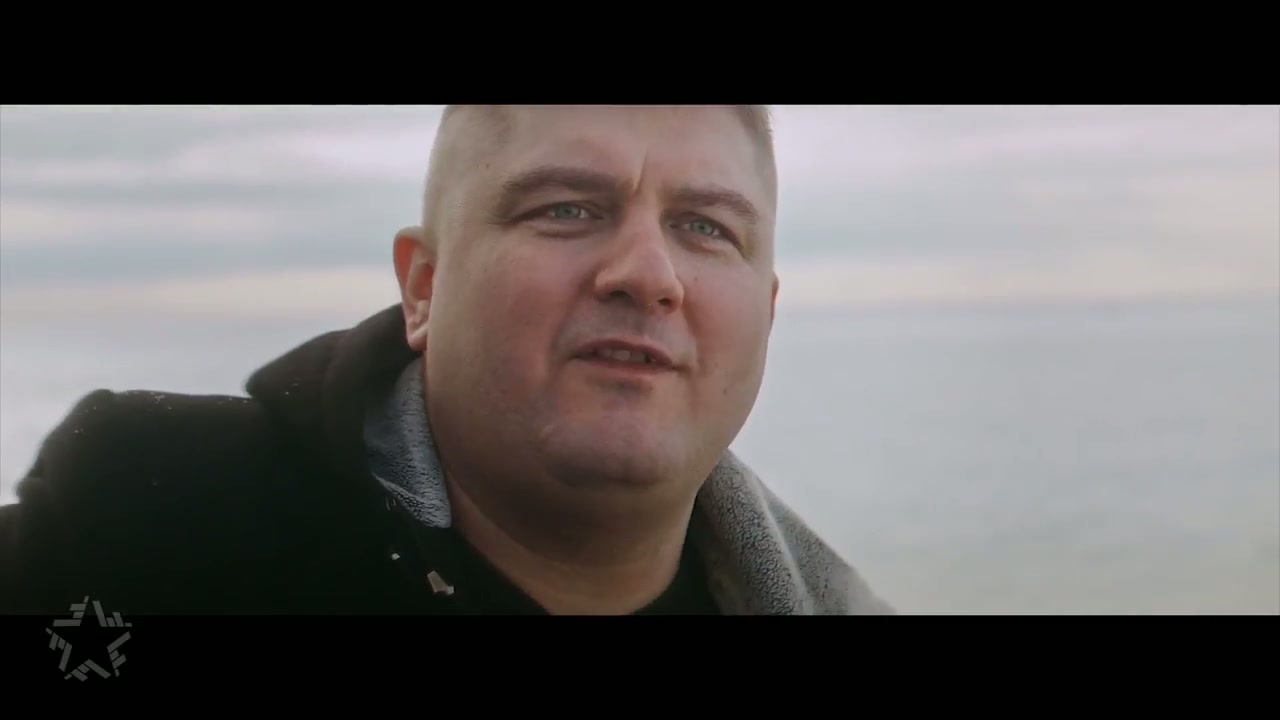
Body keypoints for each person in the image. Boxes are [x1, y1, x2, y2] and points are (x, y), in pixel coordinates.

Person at [0, 105, 893, 615]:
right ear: (423, 289)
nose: (648, 275)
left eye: (705, 227)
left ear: (766, 314)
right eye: (566, 210)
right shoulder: (144, 531)